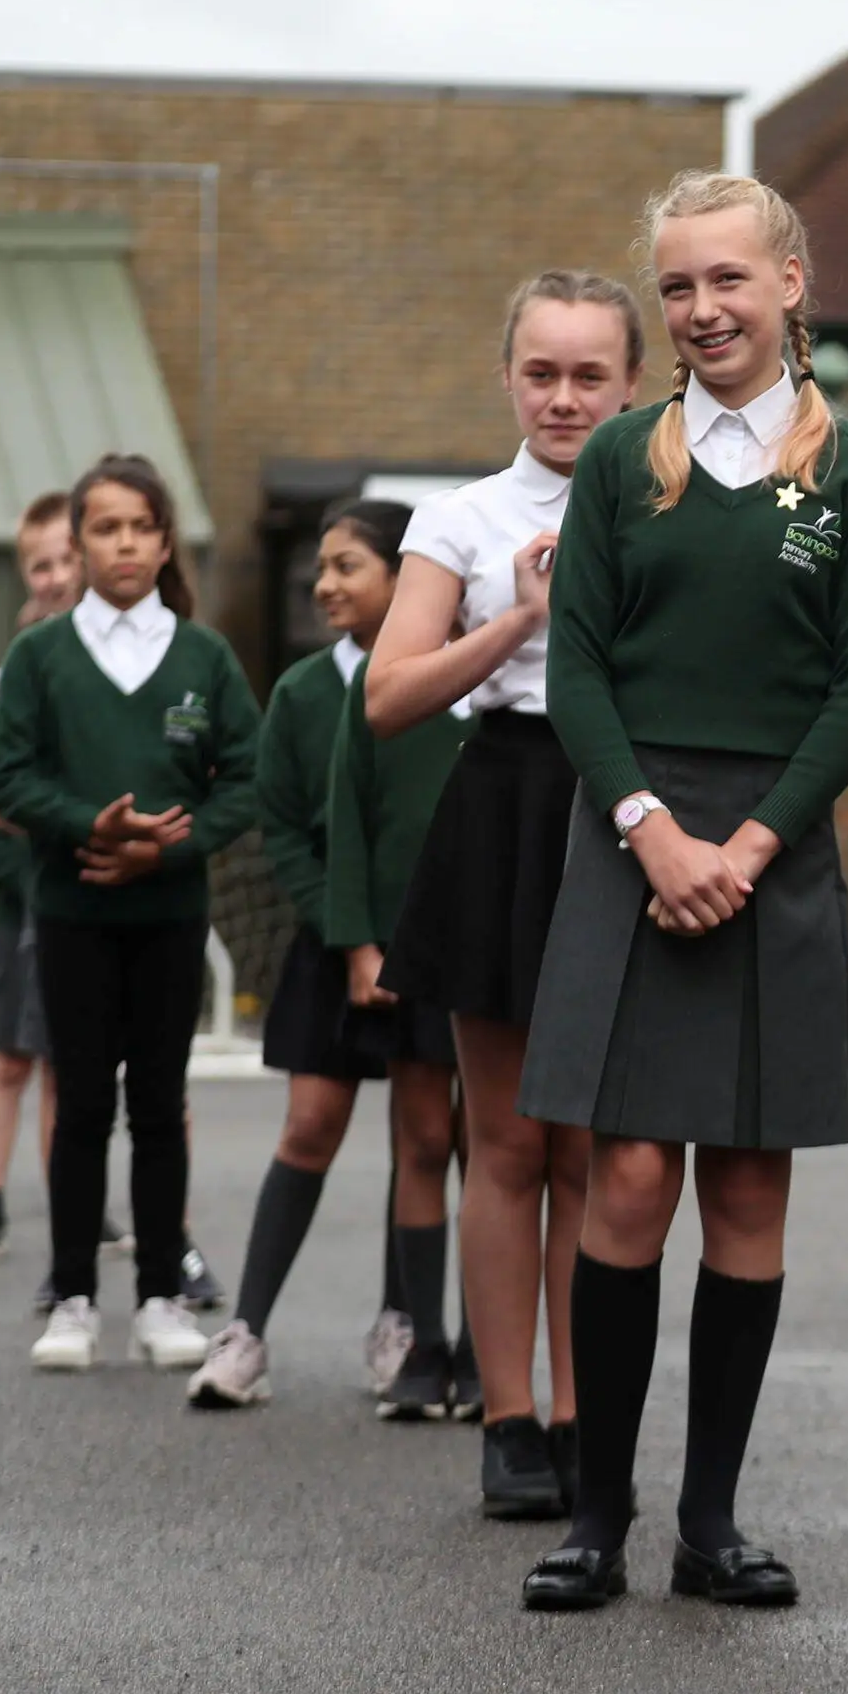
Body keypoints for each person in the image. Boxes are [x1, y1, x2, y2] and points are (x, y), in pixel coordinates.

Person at [514, 173, 848, 1615]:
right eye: (677, 288)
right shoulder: (622, 458)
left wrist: (748, 846)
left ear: (791, 283)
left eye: (728, 280)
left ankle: (711, 1524)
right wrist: (653, 832)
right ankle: (594, 1520)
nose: (701, 309)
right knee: (623, 1179)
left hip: (774, 852)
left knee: (747, 1185)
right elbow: (578, 669)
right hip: (632, 845)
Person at [366, 272, 639, 1517]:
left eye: (590, 373)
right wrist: (516, 621)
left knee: (593, 1141)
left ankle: (586, 1414)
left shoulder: (673, 499)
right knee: (506, 1139)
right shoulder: (458, 517)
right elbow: (389, 695)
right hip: (504, 802)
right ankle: (508, 1415)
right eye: (543, 371)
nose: (566, 395)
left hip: (623, 807)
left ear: (635, 382)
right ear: (509, 375)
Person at [0, 454, 261, 1375]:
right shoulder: (38, 655)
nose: (125, 544)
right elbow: (11, 779)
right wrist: (87, 827)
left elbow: (248, 779)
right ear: (78, 542)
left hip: (170, 913)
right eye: (105, 527)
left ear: (163, 538)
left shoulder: (203, 655)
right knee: (78, 1108)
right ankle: (72, 1295)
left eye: (141, 526)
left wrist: (169, 846)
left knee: (157, 1103)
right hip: (70, 911)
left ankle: (157, 1294)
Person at [187, 498, 451, 1410]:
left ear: (403, 574)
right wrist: (350, 940)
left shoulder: (452, 678)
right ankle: (246, 1332)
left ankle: (404, 1328)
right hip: (333, 949)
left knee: (426, 1135)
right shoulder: (301, 693)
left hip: (434, 952)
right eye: (321, 570)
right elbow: (286, 834)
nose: (325, 584)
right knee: (309, 1126)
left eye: (348, 566)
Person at [326, 540, 479, 1423]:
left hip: (495, 941)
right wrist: (358, 944)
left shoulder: (515, 676)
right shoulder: (387, 682)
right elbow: (349, 816)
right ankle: (423, 1344)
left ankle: (483, 1347)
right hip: (406, 945)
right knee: (421, 1139)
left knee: (493, 1149)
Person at [0, 494, 79, 1263]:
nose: (60, 575)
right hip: (27, 900)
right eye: (44, 564)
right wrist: (37, 859)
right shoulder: (21, 668)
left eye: (70, 558)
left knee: (72, 1066)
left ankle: (75, 1201)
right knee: (13, 1056)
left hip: (89, 897)